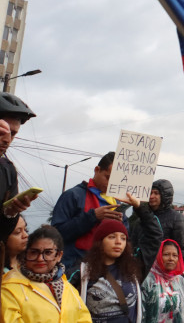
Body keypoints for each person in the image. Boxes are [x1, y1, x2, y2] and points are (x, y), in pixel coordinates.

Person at [73, 192, 162, 323]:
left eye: (123, 238)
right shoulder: (82, 272)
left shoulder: (134, 267)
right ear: (100, 242)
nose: (118, 242)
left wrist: (140, 207)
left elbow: (155, 236)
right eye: (112, 237)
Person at [1, 224, 92, 322]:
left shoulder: (68, 289)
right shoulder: (9, 288)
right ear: (26, 253)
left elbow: (84, 319)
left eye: (48, 253)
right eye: (34, 252)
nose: (40, 259)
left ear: (59, 256)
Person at [52, 151, 126, 271]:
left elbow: (125, 236)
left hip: (103, 270)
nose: (110, 184)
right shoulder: (73, 195)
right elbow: (56, 234)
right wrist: (93, 217)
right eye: (108, 178)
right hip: (72, 269)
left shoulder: (117, 203)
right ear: (97, 170)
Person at [0, 93, 39, 242]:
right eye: (3, 130)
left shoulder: (8, 171)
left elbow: (3, 234)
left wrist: (10, 213)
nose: (7, 139)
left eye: (13, 133)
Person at [141, 239, 184, 323]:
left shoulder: (178, 280)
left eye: (175, 255)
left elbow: (179, 313)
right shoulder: (148, 280)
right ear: (158, 256)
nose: (171, 259)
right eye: (166, 254)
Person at [133, 180, 184, 265]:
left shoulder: (177, 218)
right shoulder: (141, 219)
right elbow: (133, 244)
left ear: (165, 196)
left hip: (164, 272)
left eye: (156, 193)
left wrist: (168, 268)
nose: (151, 196)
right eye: (150, 193)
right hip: (142, 269)